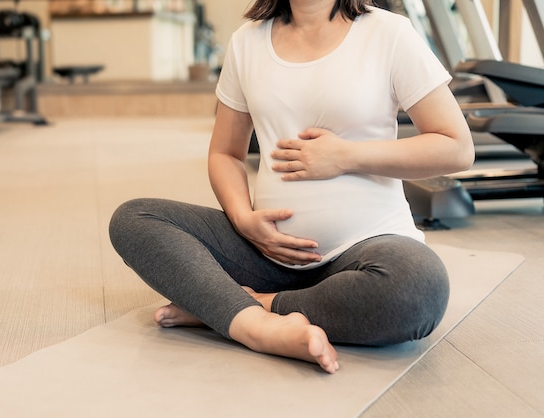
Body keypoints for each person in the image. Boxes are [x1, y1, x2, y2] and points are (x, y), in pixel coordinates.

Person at [109, 0, 474, 374]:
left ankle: (245, 306)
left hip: (367, 246)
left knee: (418, 287)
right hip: (264, 252)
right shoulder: (246, 42)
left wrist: (346, 156)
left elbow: (456, 146)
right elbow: (226, 153)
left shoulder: (389, 33)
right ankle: (255, 327)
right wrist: (242, 218)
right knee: (135, 219)